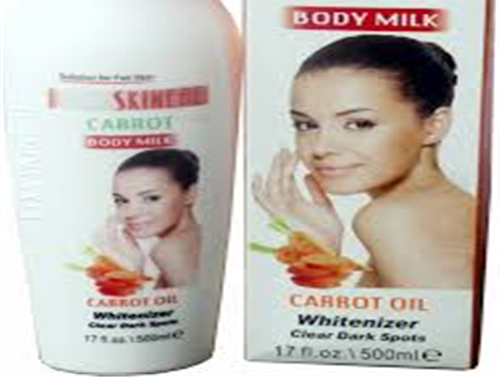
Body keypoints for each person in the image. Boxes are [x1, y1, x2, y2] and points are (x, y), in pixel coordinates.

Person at [253, 34, 475, 289]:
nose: (321, 148)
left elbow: (433, 314)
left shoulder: (393, 218)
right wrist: (323, 252)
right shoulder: (451, 207)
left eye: (359, 124)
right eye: (306, 125)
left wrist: (321, 265)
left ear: (433, 126)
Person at [96, 149, 201, 288]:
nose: (130, 213)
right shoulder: (192, 237)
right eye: (122, 201)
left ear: (190, 194)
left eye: (151, 198)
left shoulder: (170, 249)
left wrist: (134, 267)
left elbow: (188, 300)